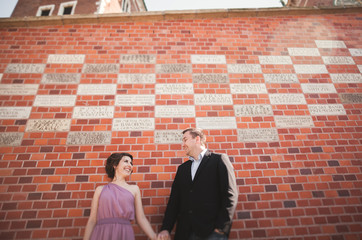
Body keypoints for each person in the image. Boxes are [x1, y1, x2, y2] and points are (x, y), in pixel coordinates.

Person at [158, 128, 238, 240]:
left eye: (185, 140)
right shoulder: (182, 169)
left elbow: (230, 194)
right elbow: (174, 202)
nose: (182, 144)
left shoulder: (219, 160)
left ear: (197, 139)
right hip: (184, 233)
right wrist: (165, 228)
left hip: (212, 233)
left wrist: (221, 228)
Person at [84, 152, 157, 240]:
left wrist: (154, 237)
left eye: (131, 163)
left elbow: (141, 218)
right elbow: (92, 220)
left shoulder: (134, 189)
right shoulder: (100, 190)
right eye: (126, 161)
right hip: (102, 233)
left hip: (124, 233)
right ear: (115, 165)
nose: (129, 165)